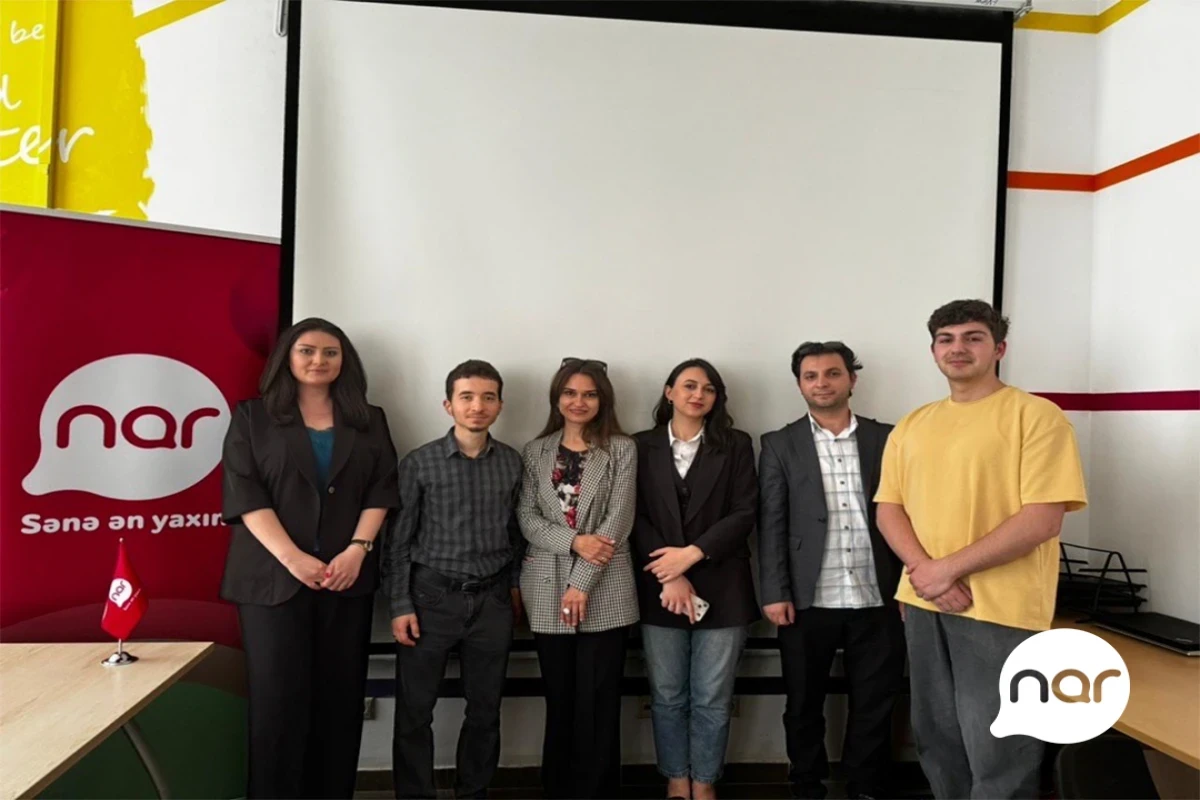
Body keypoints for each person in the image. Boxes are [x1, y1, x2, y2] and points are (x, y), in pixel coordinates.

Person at [875, 300, 1087, 799]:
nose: (958, 348)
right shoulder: (912, 425)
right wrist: (926, 573)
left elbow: (1042, 518)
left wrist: (944, 571)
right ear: (933, 351)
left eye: (973, 337)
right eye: (946, 339)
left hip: (1002, 608)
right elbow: (889, 509)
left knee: (999, 746)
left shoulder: (1037, 417)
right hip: (924, 601)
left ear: (999, 349)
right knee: (937, 739)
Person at [220, 317, 399, 799]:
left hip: (347, 580)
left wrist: (358, 550)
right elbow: (245, 494)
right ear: (287, 358)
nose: (319, 360)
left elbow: (382, 489)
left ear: (345, 362)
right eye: (307, 351)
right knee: (277, 706)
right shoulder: (252, 417)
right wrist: (293, 558)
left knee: (340, 705)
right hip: (271, 584)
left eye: (330, 352)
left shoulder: (369, 419)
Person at [758, 341, 905, 800]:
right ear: (800, 384)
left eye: (832, 373)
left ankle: (866, 786)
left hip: (878, 594)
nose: (822, 383)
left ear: (851, 379)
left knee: (876, 702)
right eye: (811, 376)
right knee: (803, 703)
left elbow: (911, 514)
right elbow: (772, 523)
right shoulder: (779, 443)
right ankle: (806, 785)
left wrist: (909, 586)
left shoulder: (888, 437)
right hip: (807, 598)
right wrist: (775, 590)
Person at [384, 360, 524, 800]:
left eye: (487, 397)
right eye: (466, 397)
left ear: (500, 405)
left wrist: (514, 589)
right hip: (430, 600)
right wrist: (400, 605)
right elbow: (397, 542)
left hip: (492, 602)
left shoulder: (512, 463)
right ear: (448, 405)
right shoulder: (420, 463)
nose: (477, 406)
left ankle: (473, 791)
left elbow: (517, 535)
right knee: (414, 712)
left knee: (485, 710)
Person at [632, 358, 759, 800]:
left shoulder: (736, 444)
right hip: (659, 587)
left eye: (708, 388)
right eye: (688, 386)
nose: (697, 395)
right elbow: (633, 515)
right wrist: (670, 575)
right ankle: (676, 778)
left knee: (712, 697)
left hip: (725, 586)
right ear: (669, 392)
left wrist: (692, 554)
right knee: (667, 695)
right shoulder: (639, 445)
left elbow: (745, 511)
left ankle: (704, 781)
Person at [517, 358, 638, 799]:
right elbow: (527, 518)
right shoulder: (535, 451)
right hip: (545, 589)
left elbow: (618, 520)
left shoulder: (622, 449)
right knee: (560, 701)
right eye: (570, 393)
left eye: (589, 394)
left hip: (606, 589)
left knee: (599, 704)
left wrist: (580, 583)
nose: (579, 402)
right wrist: (574, 541)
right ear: (557, 398)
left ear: (603, 400)